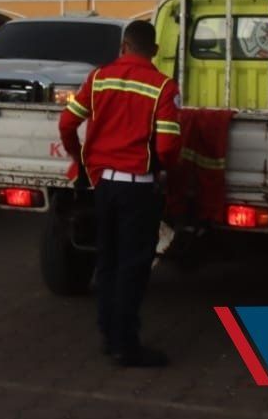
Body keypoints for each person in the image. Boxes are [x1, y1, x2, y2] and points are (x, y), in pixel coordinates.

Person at [58, 19, 182, 368]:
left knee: (108, 261)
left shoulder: (98, 78)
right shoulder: (163, 87)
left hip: (104, 186)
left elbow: (67, 123)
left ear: (124, 46)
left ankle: (108, 334)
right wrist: (163, 167)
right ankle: (126, 345)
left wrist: (79, 158)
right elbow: (169, 144)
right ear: (154, 50)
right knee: (133, 266)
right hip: (138, 189)